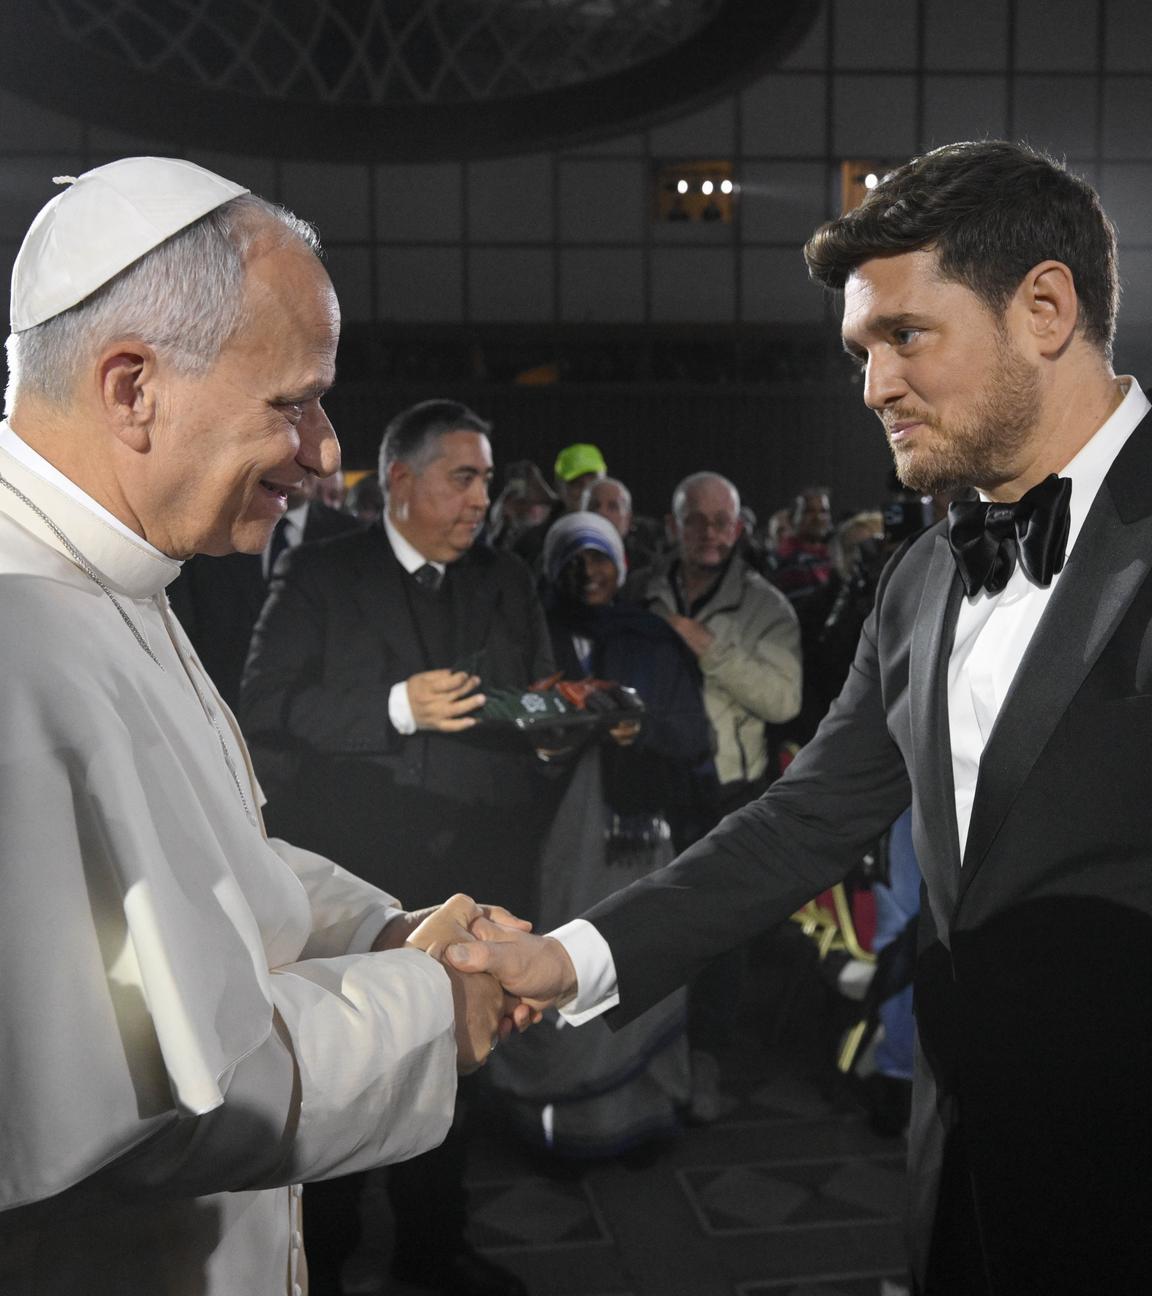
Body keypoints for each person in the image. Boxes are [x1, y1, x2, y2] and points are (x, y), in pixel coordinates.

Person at [449, 140, 1152, 1295]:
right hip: (953, 1162)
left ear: (1044, 308)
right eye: (859, 353)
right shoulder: (923, 578)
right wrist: (567, 958)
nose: (873, 387)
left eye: (905, 336)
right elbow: (800, 823)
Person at [0, 157, 519, 1296]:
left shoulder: (118, 575)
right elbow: (174, 1096)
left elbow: (211, 861)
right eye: (292, 402)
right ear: (131, 386)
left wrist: (381, 931)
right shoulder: (18, 635)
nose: (328, 450)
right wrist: (438, 999)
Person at [240, 398, 553, 1296]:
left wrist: (563, 726)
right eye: (464, 478)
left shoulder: (507, 578)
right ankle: (327, 1262)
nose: (481, 499)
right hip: (357, 874)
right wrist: (393, 708)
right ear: (400, 481)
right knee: (342, 1074)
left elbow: (534, 695)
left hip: (482, 864)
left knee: (459, 1068)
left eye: (488, 481)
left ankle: (433, 1249)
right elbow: (265, 707)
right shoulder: (321, 576)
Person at [488, 511, 712, 1160]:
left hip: (638, 834)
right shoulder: (531, 631)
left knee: (643, 957)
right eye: (575, 560)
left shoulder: (651, 636)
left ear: (621, 567)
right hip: (556, 833)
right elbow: (503, 711)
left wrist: (635, 728)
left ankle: (642, 1114)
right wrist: (553, 722)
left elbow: (692, 734)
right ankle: (565, 1125)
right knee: (566, 962)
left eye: (602, 560)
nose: (589, 574)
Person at [168, 470, 357, 708]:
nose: (307, 462)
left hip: (327, 722)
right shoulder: (206, 534)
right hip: (222, 712)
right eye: (291, 436)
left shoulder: (355, 541)